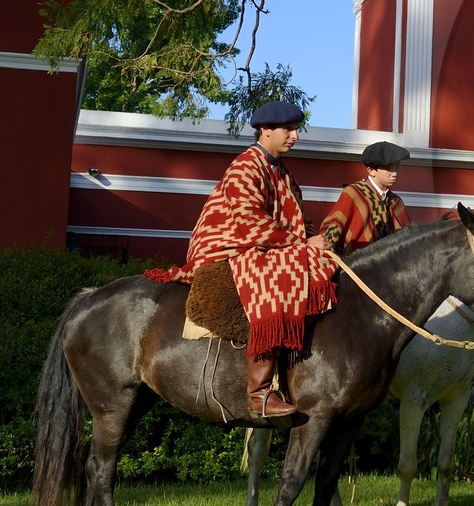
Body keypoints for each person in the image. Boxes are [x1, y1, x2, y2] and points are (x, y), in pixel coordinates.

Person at [145, 100, 337, 420]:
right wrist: (303, 243)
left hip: (266, 243)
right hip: (228, 244)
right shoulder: (244, 167)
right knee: (275, 279)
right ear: (266, 131)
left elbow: (299, 220)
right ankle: (258, 394)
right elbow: (250, 223)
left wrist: (316, 241)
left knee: (319, 267)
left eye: (295, 129)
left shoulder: (283, 173)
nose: (295, 136)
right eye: (288, 130)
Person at [319, 140, 413, 254]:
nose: (395, 173)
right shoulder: (353, 193)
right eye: (389, 168)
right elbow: (333, 229)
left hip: (389, 269)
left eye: (397, 166)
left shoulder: (396, 202)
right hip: (354, 266)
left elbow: (408, 239)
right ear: (371, 170)